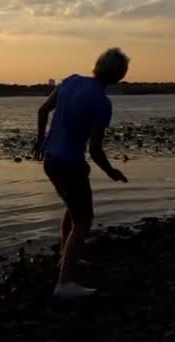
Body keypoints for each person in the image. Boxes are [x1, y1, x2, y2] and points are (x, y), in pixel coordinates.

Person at [32, 48, 130, 299]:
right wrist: (111, 171)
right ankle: (64, 284)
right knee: (83, 221)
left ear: (97, 65)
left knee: (72, 208)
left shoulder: (71, 81)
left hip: (51, 161)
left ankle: (65, 255)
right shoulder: (102, 103)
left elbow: (43, 110)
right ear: (119, 76)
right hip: (70, 165)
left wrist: (40, 141)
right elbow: (95, 150)